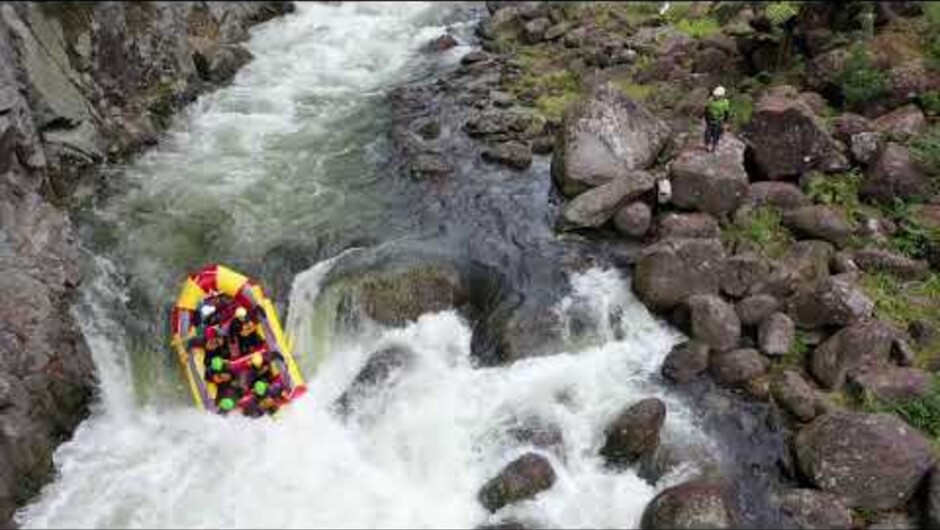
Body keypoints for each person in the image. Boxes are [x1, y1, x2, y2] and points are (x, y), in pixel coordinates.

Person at [704, 86, 730, 153]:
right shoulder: (710, 100)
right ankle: (707, 144)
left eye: (717, 96)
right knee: (708, 133)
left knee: (716, 133)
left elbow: (726, 112)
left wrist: (725, 121)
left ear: (721, 96)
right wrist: (706, 119)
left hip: (719, 120)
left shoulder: (725, 102)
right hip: (710, 118)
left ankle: (714, 145)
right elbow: (706, 110)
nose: (715, 97)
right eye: (715, 95)